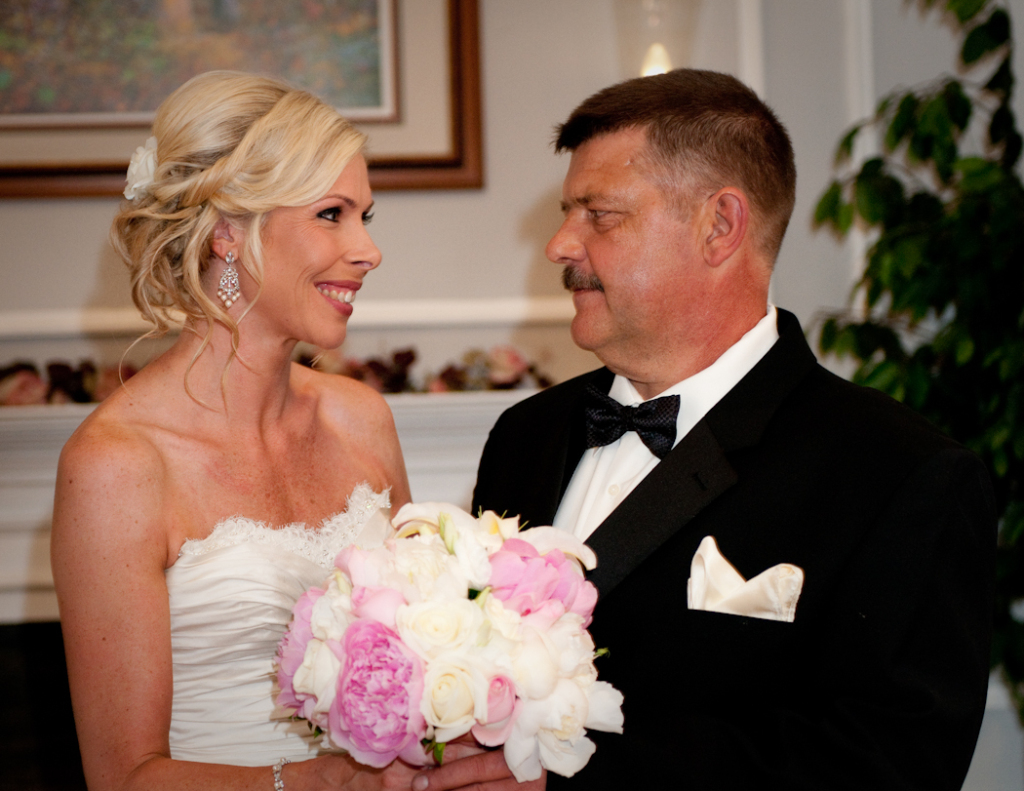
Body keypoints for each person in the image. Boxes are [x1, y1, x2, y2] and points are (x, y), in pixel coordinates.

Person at [463, 69, 996, 790]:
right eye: (567, 213)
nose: (560, 244)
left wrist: (560, 780)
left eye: (600, 215)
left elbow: (889, 766)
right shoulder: (524, 435)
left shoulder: (901, 473)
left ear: (720, 226)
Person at [51, 71, 522, 791]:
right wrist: (323, 782)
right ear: (228, 232)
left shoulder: (361, 417)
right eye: (332, 214)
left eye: (366, 215)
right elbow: (124, 777)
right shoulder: (117, 464)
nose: (369, 250)